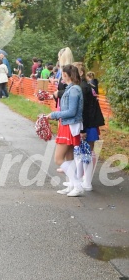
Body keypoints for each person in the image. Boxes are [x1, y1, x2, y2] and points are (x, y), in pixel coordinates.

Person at [46, 64, 84, 197]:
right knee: (68, 157)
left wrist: (54, 115)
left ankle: (77, 185)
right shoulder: (73, 89)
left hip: (69, 125)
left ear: (66, 75)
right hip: (67, 125)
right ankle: (73, 185)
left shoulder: (74, 90)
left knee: (58, 159)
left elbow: (72, 111)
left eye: (62, 74)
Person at [73, 63, 105, 191]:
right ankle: (81, 180)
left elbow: (85, 110)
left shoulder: (83, 88)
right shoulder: (83, 86)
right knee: (83, 152)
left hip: (88, 124)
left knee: (86, 152)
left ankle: (86, 182)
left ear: (80, 73)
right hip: (89, 123)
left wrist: (83, 129)